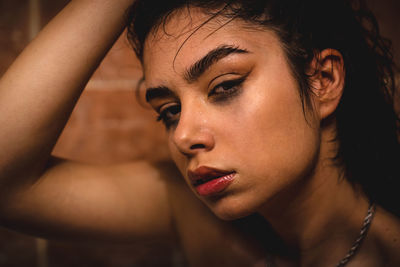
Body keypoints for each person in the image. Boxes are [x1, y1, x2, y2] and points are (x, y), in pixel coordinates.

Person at [0, 0, 399, 266]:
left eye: (225, 86)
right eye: (169, 112)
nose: (183, 135)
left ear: (323, 80)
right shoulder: (195, 213)